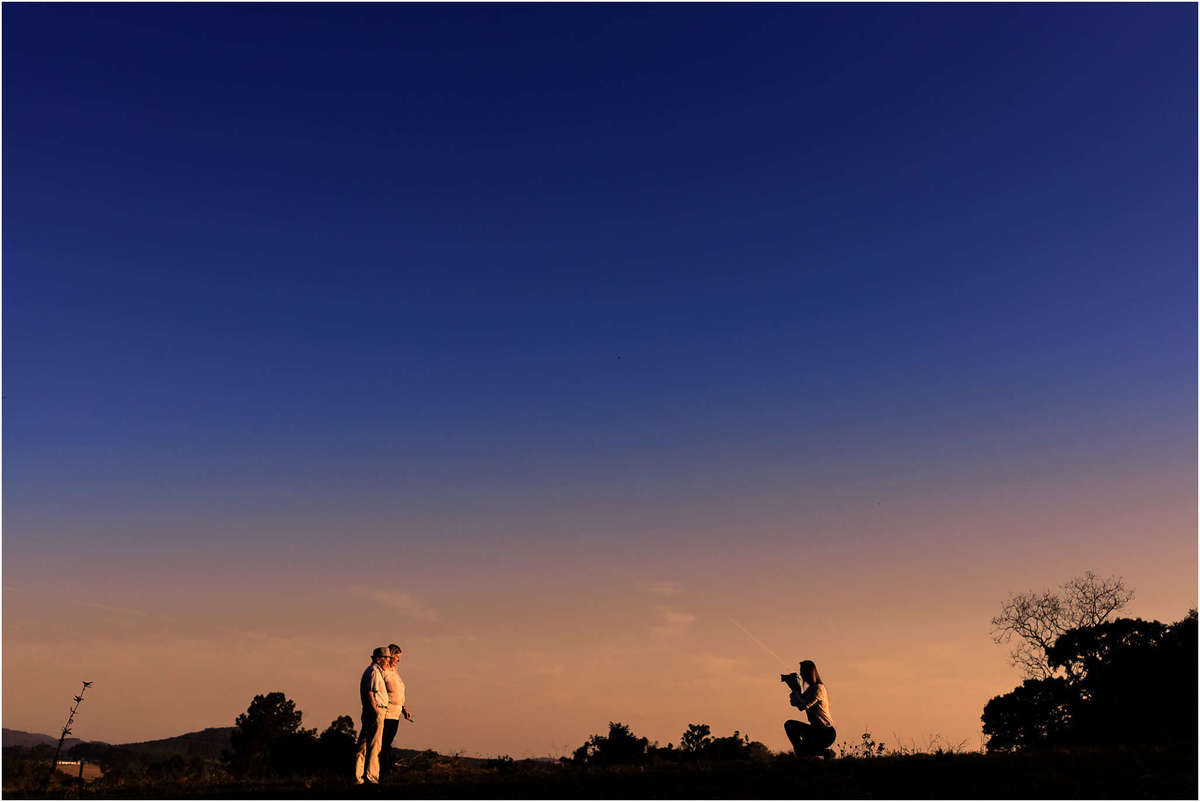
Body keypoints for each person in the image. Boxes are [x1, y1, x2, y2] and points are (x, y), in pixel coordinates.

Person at [784, 659, 837, 758]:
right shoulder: (810, 690)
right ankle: (815, 753)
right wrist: (794, 689)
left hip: (825, 733)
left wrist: (796, 690)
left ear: (808, 673)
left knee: (791, 728)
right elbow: (795, 703)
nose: (801, 675)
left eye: (802, 672)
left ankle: (823, 753)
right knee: (790, 726)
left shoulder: (818, 689)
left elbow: (802, 706)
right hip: (815, 729)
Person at [354, 646, 391, 784]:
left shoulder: (370, 671)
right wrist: (376, 711)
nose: (389, 661)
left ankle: (358, 776)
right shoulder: (375, 672)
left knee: (363, 744)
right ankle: (372, 776)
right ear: (380, 659)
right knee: (375, 745)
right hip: (376, 710)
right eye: (387, 658)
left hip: (370, 710)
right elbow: (371, 693)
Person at [380, 643, 413, 777]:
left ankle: (386, 768)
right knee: (383, 743)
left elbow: (397, 692)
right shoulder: (384, 672)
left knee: (388, 743)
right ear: (391, 656)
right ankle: (381, 770)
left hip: (396, 713)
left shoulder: (395, 672)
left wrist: (403, 708)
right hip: (386, 712)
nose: (399, 660)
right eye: (397, 657)